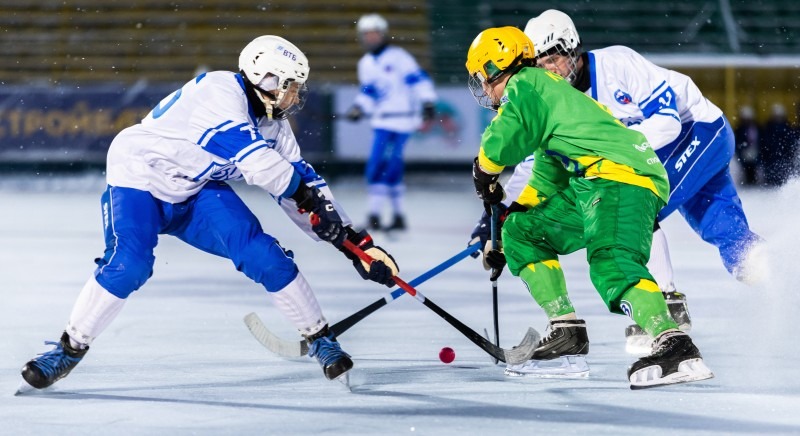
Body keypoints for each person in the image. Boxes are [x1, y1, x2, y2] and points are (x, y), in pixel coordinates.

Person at [19, 35, 400, 391]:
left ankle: (321, 340)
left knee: (266, 257)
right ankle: (68, 350)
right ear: (266, 78)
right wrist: (311, 202)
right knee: (129, 265)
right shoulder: (219, 92)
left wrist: (354, 245)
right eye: (291, 85)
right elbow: (263, 168)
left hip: (195, 188)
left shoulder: (275, 126)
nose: (296, 95)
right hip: (140, 180)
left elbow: (305, 185)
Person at [470, 10, 765, 354]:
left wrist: (606, 143)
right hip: (662, 151)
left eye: (554, 59)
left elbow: (667, 122)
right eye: (540, 62)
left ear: (573, 51)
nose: (548, 68)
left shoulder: (618, 64)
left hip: (696, 131)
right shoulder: (549, 97)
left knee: (630, 207)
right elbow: (538, 163)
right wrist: (497, 218)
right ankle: (772, 271)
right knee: (729, 236)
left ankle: (668, 304)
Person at [344, 13, 438, 232]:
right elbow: (369, 92)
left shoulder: (399, 57)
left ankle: (379, 215)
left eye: (374, 33)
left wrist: (428, 102)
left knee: (385, 167)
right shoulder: (365, 64)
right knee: (382, 167)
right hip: (382, 122)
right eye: (367, 34)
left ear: (383, 35)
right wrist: (359, 108)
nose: (371, 38)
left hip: (402, 122)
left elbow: (418, 79)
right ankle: (392, 216)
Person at [760, 103, 797, 187]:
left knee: (782, 174)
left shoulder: (786, 127)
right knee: (771, 176)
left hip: (782, 155)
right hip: (772, 155)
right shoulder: (768, 127)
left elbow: (790, 142)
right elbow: (765, 142)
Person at [733, 106, 761, 186]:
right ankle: (747, 181)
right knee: (745, 168)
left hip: (754, 150)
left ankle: (753, 181)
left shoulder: (756, 127)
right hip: (744, 151)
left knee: (753, 168)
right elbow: (738, 140)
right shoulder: (740, 128)